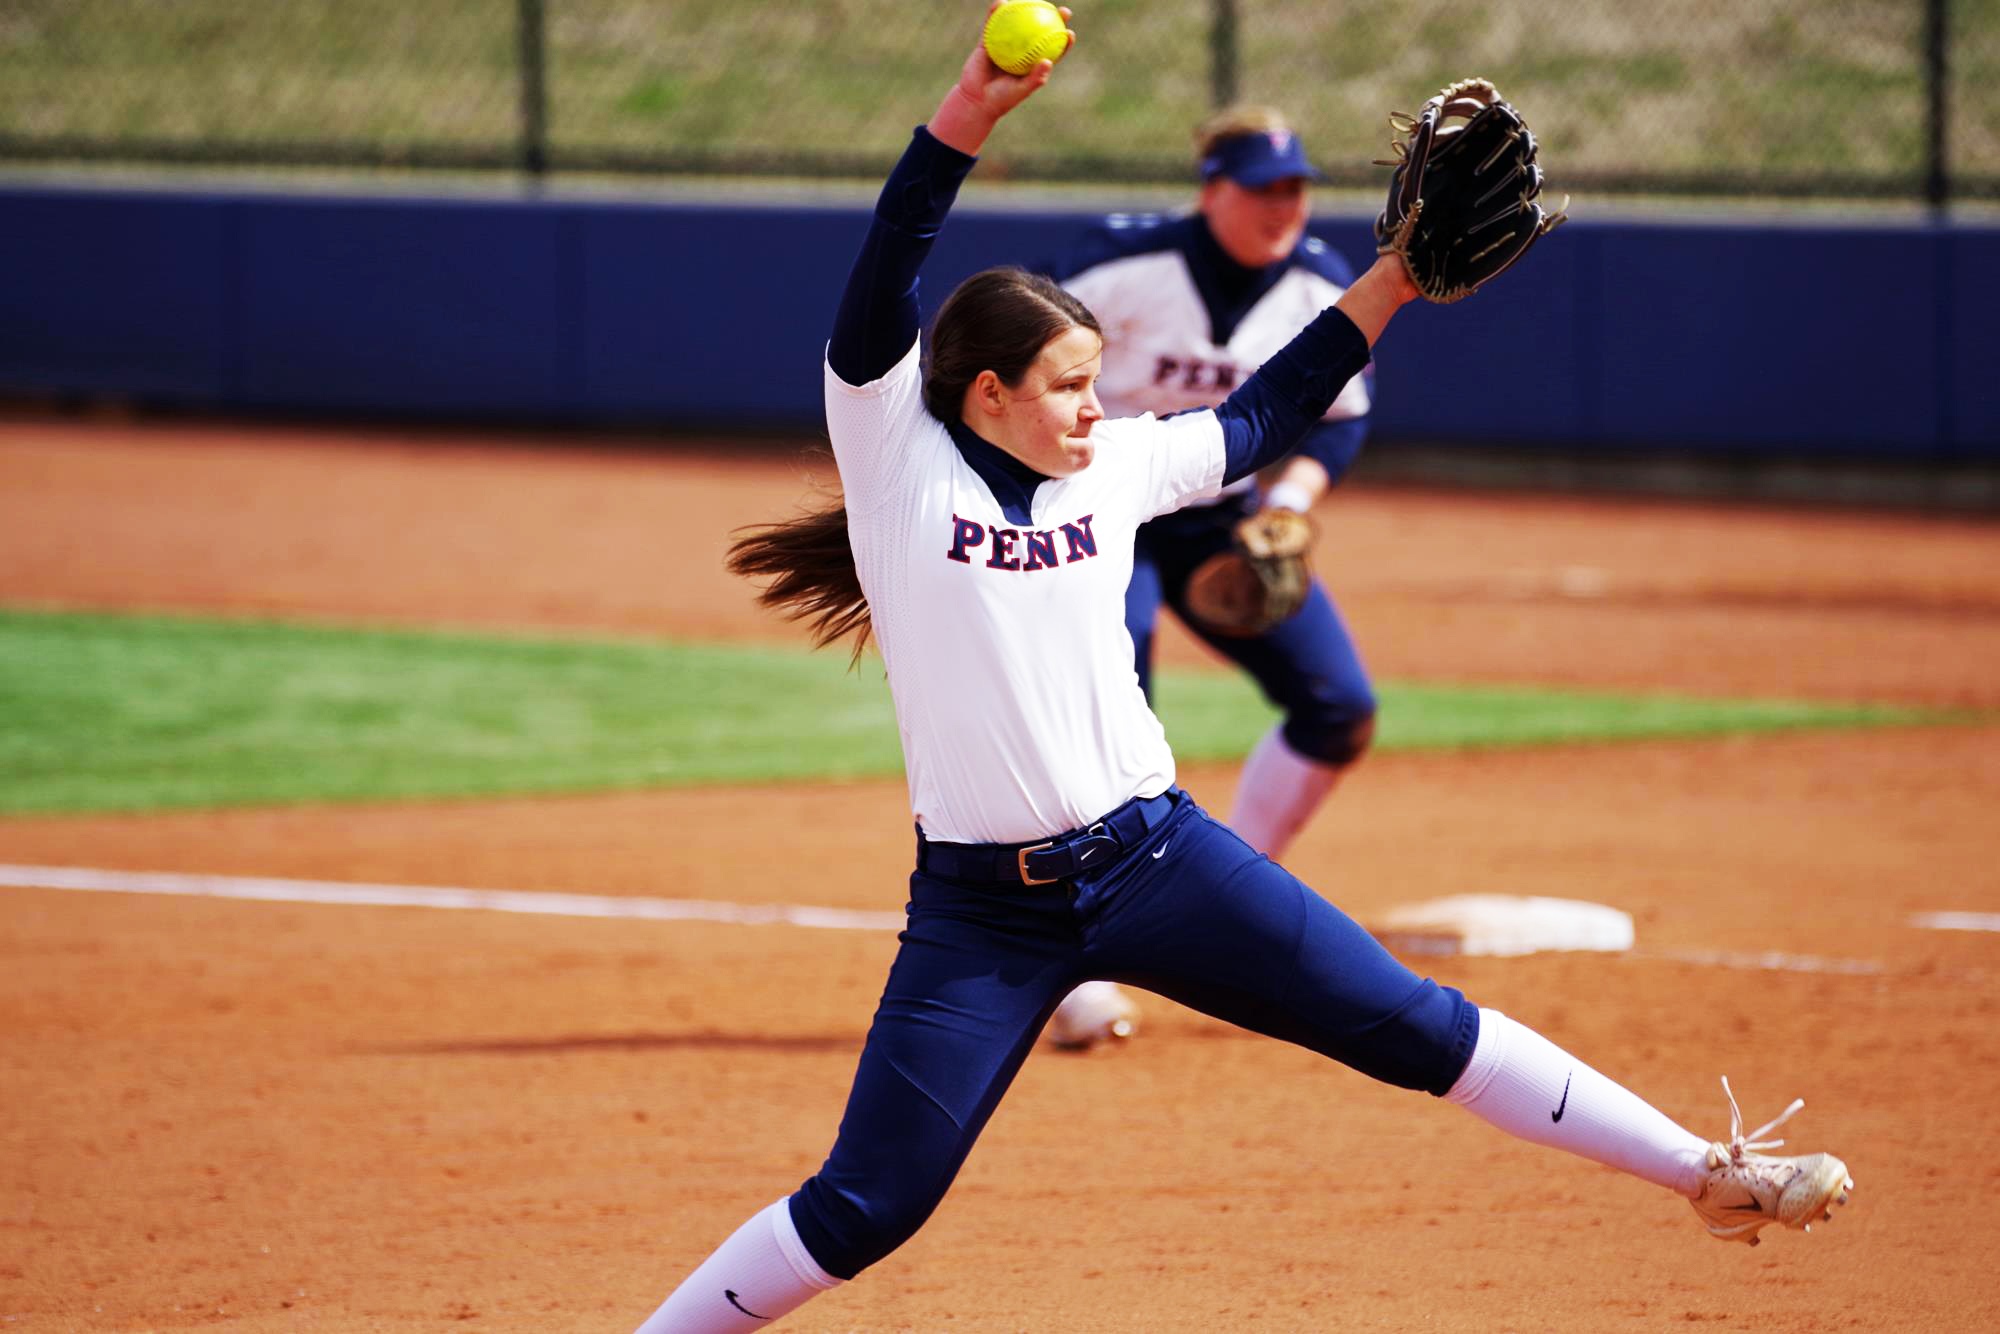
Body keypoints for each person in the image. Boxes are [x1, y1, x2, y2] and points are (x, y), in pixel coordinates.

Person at [631, 10, 1853, 1330]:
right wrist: (966, 115)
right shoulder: (894, 457)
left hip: (1160, 863)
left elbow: (1268, 409)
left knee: (1413, 1023)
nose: (1098, 407)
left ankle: (1707, 1172)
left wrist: (1389, 280)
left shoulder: (1114, 470)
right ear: (984, 395)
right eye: (1068, 386)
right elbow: (889, 266)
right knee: (867, 1207)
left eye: (1101, 380)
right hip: (980, 918)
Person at [1039, 105, 1378, 1050]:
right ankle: (1077, 970)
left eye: (1296, 187)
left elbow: (1342, 414)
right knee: (1113, 716)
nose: (1284, 205)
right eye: (1263, 187)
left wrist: (1294, 502)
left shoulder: (1316, 283)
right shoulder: (1121, 266)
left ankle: (1216, 905)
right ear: (1211, 191)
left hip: (1222, 518)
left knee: (1338, 704)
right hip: (1099, 507)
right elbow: (1023, 364)